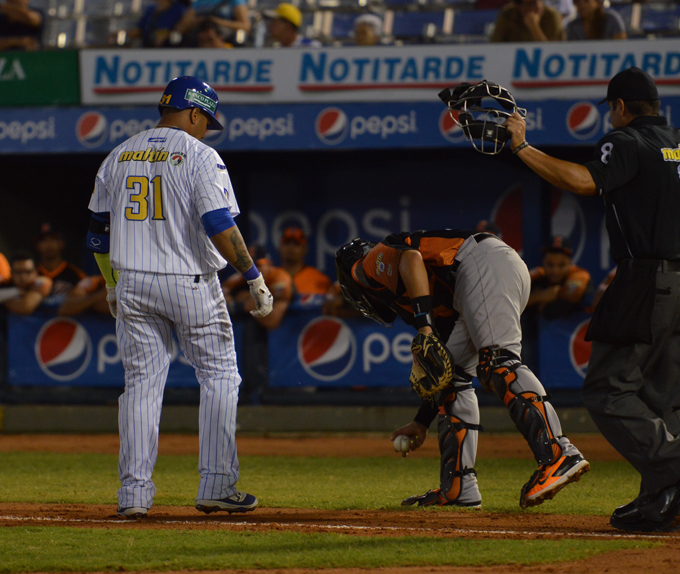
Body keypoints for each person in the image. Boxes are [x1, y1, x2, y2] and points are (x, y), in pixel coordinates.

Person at [86, 75, 273, 520]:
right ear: (194, 113)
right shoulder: (199, 155)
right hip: (188, 281)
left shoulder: (118, 154)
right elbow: (219, 224)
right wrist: (253, 276)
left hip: (132, 281)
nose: (207, 127)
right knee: (220, 376)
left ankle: (133, 496)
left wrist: (111, 282)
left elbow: (97, 233)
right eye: (206, 119)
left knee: (141, 388)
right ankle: (217, 486)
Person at [505, 67, 680, 532]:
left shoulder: (625, 141)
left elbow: (584, 181)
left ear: (621, 108)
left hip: (647, 278)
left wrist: (522, 146)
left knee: (607, 390)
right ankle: (661, 500)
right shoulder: (677, 141)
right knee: (664, 395)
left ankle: (673, 467)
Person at [335, 230, 589, 510]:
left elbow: (409, 257)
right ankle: (458, 488)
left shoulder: (364, 266)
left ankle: (558, 454)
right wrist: (422, 420)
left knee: (498, 362)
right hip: (482, 274)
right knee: (452, 382)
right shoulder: (420, 295)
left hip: (481, 263)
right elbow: (443, 367)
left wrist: (425, 327)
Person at [223, 244, 293, 330]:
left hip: (283, 336)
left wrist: (249, 303)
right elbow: (220, 294)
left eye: (257, 265)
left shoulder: (280, 279)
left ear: (269, 264)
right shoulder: (241, 277)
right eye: (247, 266)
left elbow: (273, 321)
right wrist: (231, 303)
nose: (252, 270)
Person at [526, 236, 592, 320]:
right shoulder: (538, 275)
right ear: (543, 263)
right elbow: (510, 304)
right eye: (550, 264)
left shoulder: (579, 275)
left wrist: (539, 303)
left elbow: (555, 311)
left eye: (561, 265)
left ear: (570, 263)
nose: (555, 271)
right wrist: (539, 296)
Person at [34, 223, 87, 305]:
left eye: (54, 239)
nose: (49, 244)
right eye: (43, 240)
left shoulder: (76, 274)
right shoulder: (30, 273)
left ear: (62, 243)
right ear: (37, 245)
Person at [279, 227, 332, 296]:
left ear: (304, 249)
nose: (290, 248)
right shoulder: (270, 278)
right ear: (280, 247)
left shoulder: (319, 279)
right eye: (287, 243)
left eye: (296, 244)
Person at [112, 0, 188, 47]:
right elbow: (138, 31)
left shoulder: (179, 10)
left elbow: (183, 30)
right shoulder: (150, 10)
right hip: (148, 50)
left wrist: (166, 37)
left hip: (171, 52)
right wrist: (120, 33)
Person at [176, 0, 250, 46]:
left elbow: (245, 26)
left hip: (224, 41)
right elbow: (179, 29)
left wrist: (217, 22)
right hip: (199, 41)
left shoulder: (235, 1)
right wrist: (197, 22)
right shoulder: (199, 2)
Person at [491, 0, 565, 43]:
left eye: (535, 3)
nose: (533, 8)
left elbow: (553, 53)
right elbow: (495, 45)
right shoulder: (507, 14)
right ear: (517, 6)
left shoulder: (551, 16)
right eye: (529, 4)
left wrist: (534, 28)